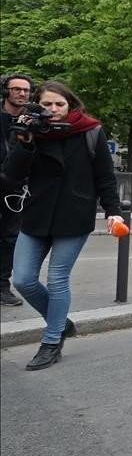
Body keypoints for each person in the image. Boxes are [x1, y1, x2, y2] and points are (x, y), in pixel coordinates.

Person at [3, 81, 122, 370]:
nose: (53, 110)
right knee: (23, 280)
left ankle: (51, 340)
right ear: (37, 105)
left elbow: (105, 176)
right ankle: (61, 322)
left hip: (74, 215)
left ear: (70, 105)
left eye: (59, 104)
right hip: (36, 214)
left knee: (57, 279)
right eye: (46, 104)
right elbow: (12, 176)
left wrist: (113, 212)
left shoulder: (90, 131)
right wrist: (25, 143)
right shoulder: (30, 130)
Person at [0, 74, 34, 307]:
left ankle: (2, 286)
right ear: (6, 91)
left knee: (10, 238)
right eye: (16, 89)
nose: (22, 93)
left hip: (15, 189)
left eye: (26, 90)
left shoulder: (32, 120)